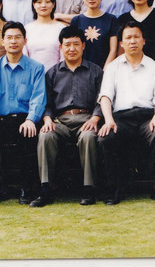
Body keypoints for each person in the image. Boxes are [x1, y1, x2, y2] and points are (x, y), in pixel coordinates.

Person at [97, 21, 155, 204]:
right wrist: (108, 120)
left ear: (143, 41)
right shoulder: (112, 67)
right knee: (106, 137)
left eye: (136, 37)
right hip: (121, 119)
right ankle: (116, 188)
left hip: (148, 117)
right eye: (128, 38)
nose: (133, 41)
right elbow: (105, 96)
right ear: (121, 43)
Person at [0, 21, 47, 206]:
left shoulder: (36, 68)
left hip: (25, 118)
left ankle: (27, 190)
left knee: (29, 136)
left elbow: (38, 98)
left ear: (25, 41)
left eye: (17, 37)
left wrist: (31, 119)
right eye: (9, 38)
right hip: (0, 119)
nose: (13, 41)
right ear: (3, 41)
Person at [32, 26, 104, 207]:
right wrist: (47, 119)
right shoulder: (52, 73)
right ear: (61, 47)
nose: (72, 48)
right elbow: (46, 102)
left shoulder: (96, 71)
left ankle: (89, 189)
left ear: (83, 46)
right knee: (45, 136)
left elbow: (102, 99)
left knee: (89, 136)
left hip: (86, 119)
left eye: (76, 44)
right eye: (67, 45)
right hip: (60, 121)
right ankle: (46, 189)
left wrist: (95, 118)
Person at [70, 0, 119, 68]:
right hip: (81, 70)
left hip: (105, 70)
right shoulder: (76, 21)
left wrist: (105, 71)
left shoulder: (111, 19)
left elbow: (113, 50)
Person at [24, 0, 65, 70]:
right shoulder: (26, 29)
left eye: (47, 2)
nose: (43, 5)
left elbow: (64, 57)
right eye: (39, 2)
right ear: (34, 5)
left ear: (53, 4)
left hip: (56, 74)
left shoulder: (61, 28)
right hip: (32, 74)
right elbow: (24, 56)